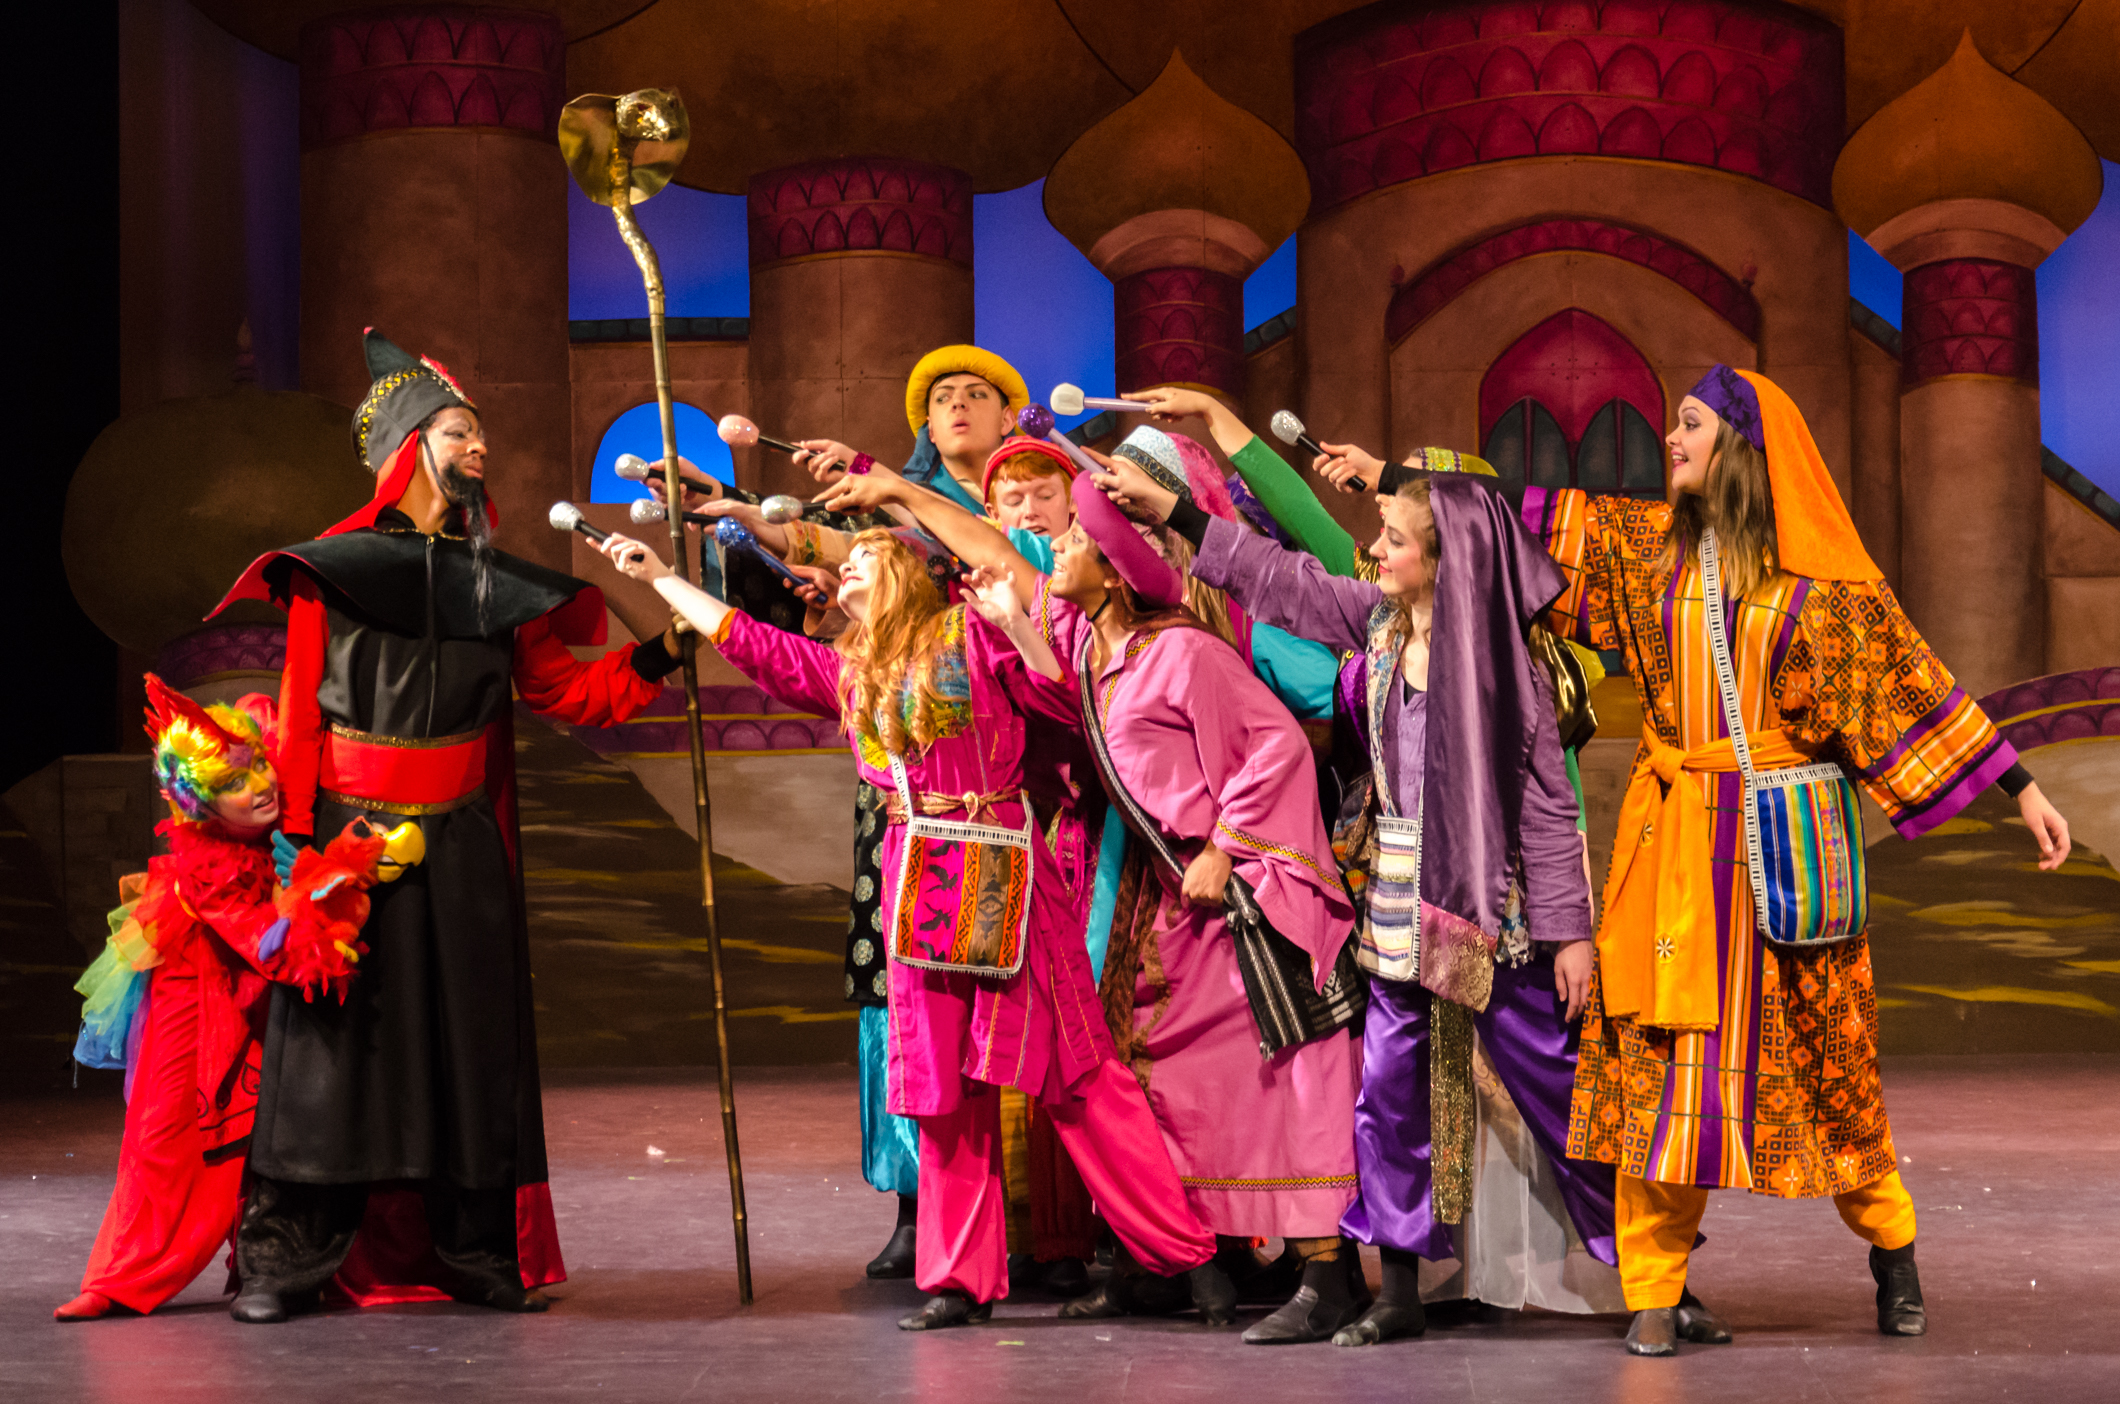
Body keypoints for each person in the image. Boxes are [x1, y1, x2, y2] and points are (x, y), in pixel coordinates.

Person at [1509, 366, 2073, 1354]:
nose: (1670, 438)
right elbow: (1516, 526)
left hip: (1779, 868)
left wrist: (2020, 788)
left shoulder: (1818, 588)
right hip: (1675, 855)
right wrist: (1390, 477)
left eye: (1689, 424)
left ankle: (1892, 1246)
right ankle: (1653, 1289)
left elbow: (1911, 684)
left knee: (1829, 1070)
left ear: (1740, 447)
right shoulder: (1649, 551)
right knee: (1661, 1075)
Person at [591, 521, 1228, 1330]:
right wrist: (658, 577)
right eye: (848, 558)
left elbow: (1062, 705)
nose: (849, 567)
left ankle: (1187, 1257)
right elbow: (749, 641)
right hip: (919, 872)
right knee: (940, 1086)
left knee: (1074, 1067)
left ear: (910, 574)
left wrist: (1017, 624)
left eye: (867, 556)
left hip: (1000, 859)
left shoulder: (967, 632)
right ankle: (959, 1279)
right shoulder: (851, 668)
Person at [209, 329, 685, 1323]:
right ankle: (288, 1258)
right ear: (407, 446)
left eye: (479, 433)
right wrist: (294, 845)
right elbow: (299, 712)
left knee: (470, 1047)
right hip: (346, 840)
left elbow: (565, 692)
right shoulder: (329, 570)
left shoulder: (494, 583)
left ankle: (471, 1250)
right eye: (460, 431)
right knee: (333, 1051)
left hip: (463, 844)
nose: (480, 447)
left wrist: (663, 651)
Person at [1106, 447, 1630, 1345]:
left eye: (1393, 539)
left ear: (1445, 559)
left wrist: (1569, 934)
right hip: (1397, 906)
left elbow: (1548, 811)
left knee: (1557, 1090)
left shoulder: (1509, 667)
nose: (1374, 551)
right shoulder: (1381, 628)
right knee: (1389, 1099)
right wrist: (1179, 514)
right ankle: (1397, 1288)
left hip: (1494, 914)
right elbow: (1284, 582)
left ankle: (1656, 1264)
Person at [57, 677, 407, 1321]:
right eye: (235, 782)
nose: (261, 786)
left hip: (256, 998)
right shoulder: (205, 869)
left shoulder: (283, 830)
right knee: (166, 1136)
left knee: (267, 1143)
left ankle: (268, 1265)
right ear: (202, 804)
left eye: (259, 767)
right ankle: (121, 1278)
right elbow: (260, 941)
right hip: (194, 1000)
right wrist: (320, 937)